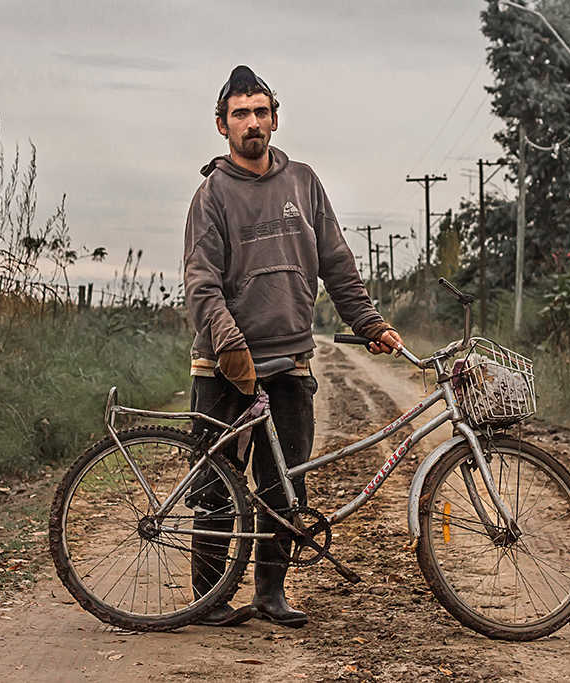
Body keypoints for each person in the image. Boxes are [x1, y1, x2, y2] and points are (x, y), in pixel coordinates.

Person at [183, 65, 404, 628]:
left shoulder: (303, 182)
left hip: (290, 362)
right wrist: (229, 343)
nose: (252, 122)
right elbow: (202, 283)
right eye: (240, 114)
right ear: (221, 125)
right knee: (213, 487)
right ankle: (210, 601)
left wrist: (371, 324)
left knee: (285, 485)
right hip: (223, 365)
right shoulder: (211, 196)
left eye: (260, 111)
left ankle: (270, 594)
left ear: (275, 119)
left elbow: (337, 264)